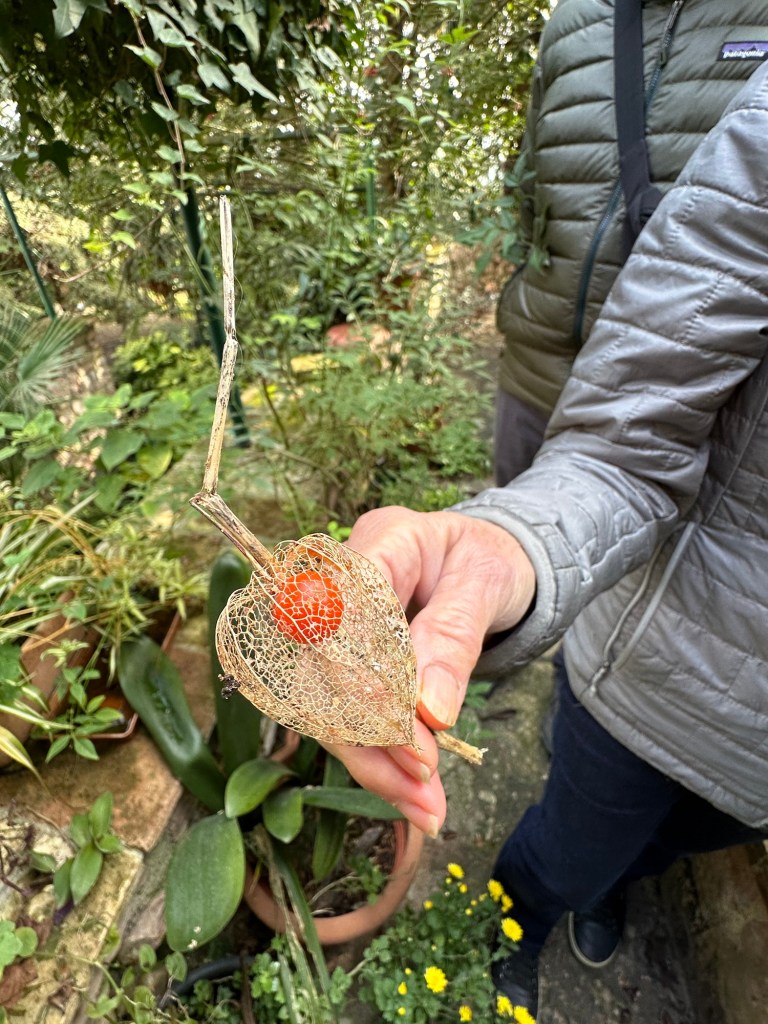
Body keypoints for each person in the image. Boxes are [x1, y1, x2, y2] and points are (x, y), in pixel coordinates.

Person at [326, 59, 768, 1020]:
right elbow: (629, 441)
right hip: (660, 673)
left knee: (667, 841)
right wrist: (510, 541)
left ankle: (604, 882)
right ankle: (526, 910)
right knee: (575, 839)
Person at [494, 0, 768, 758]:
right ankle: (538, 669)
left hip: (672, 400)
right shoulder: (574, 21)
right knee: (535, 551)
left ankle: (582, 702)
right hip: (535, 370)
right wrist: (525, 287)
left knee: (631, 583)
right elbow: (530, 178)